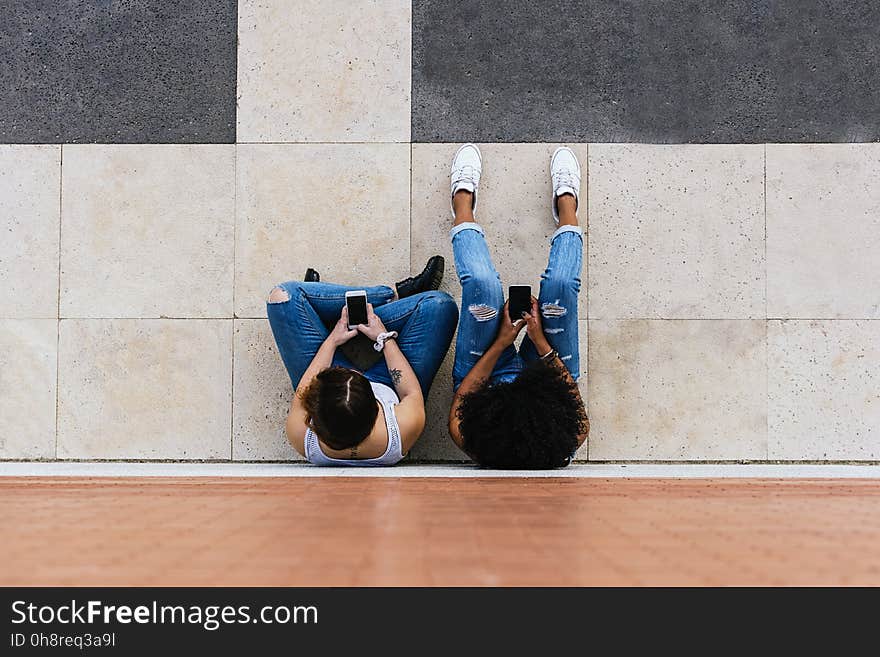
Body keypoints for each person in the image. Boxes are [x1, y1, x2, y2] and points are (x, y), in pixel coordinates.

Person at [447, 144, 589, 468]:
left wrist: (501, 343)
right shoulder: (566, 437)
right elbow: (573, 404)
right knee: (561, 288)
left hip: (485, 376)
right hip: (547, 374)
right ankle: (567, 205)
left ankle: (461, 203)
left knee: (482, 289)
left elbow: (463, 398)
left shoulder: (474, 437)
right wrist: (538, 341)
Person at [268, 258, 457, 465]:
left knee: (282, 298)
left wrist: (332, 340)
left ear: (313, 410)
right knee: (439, 305)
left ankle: (335, 312)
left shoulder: (300, 433)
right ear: (377, 411)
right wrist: (383, 337)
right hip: (388, 382)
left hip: (330, 366)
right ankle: (388, 296)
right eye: (358, 378)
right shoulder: (402, 428)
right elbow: (409, 392)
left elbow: (306, 384)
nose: (356, 372)